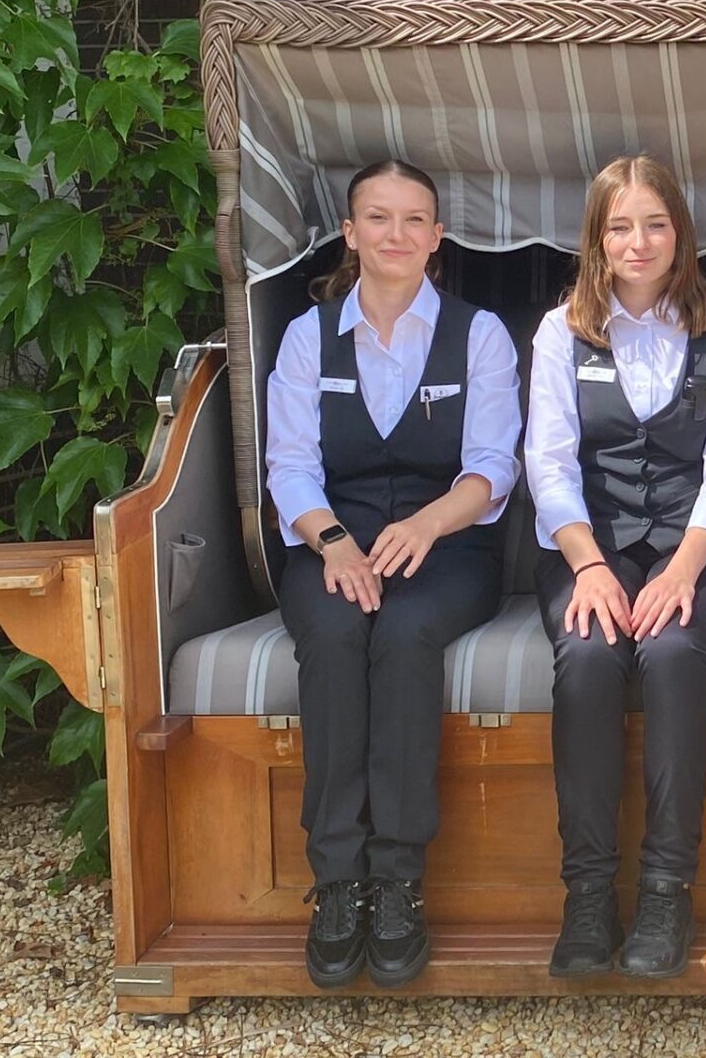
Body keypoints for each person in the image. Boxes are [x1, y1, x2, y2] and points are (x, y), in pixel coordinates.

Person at [264, 158, 521, 990]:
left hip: (448, 549)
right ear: (350, 232)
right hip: (329, 544)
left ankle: (399, 879)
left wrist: (426, 524)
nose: (396, 235)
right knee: (336, 633)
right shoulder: (309, 336)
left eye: (415, 220)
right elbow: (289, 465)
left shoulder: (478, 334)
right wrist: (333, 541)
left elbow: (492, 466)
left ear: (437, 237)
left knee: (406, 634)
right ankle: (339, 881)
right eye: (378, 218)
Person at [525, 155, 706, 980]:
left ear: (680, 234)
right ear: (596, 239)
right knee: (589, 655)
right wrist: (589, 567)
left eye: (655, 224)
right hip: (589, 545)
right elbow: (548, 462)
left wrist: (684, 569)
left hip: (702, 548)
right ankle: (589, 893)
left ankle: (666, 890)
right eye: (620, 226)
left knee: (669, 650)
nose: (638, 242)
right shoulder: (562, 332)